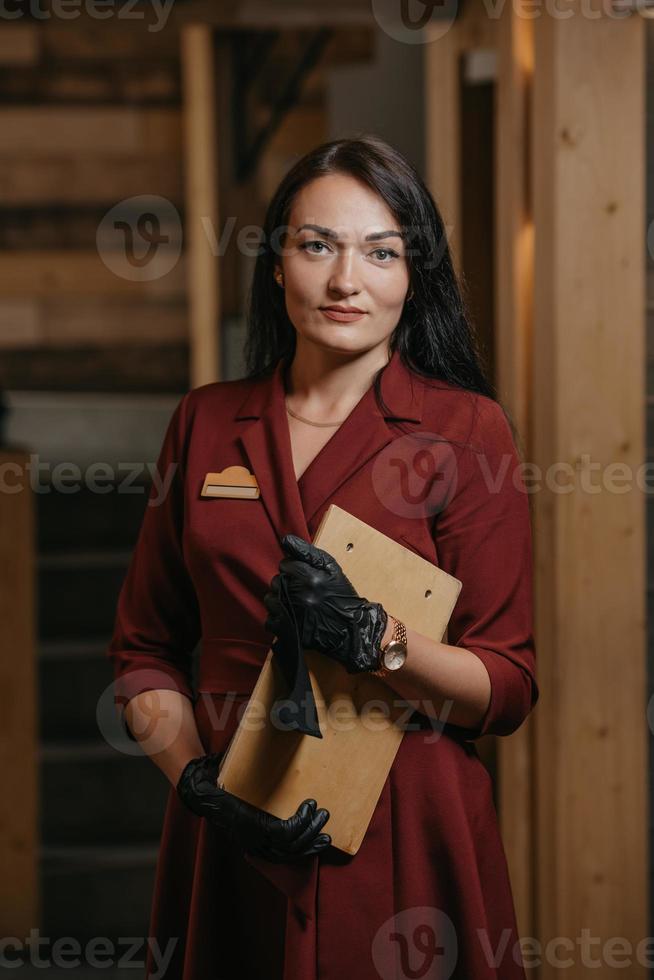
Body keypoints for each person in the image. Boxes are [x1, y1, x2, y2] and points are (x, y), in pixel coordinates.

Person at [107, 133, 538, 980]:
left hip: (407, 820)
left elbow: (509, 685)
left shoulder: (466, 432)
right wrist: (199, 783)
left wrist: (381, 637)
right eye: (318, 246)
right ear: (276, 264)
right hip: (234, 817)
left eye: (382, 252)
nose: (348, 281)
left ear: (414, 277)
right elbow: (143, 651)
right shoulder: (203, 421)